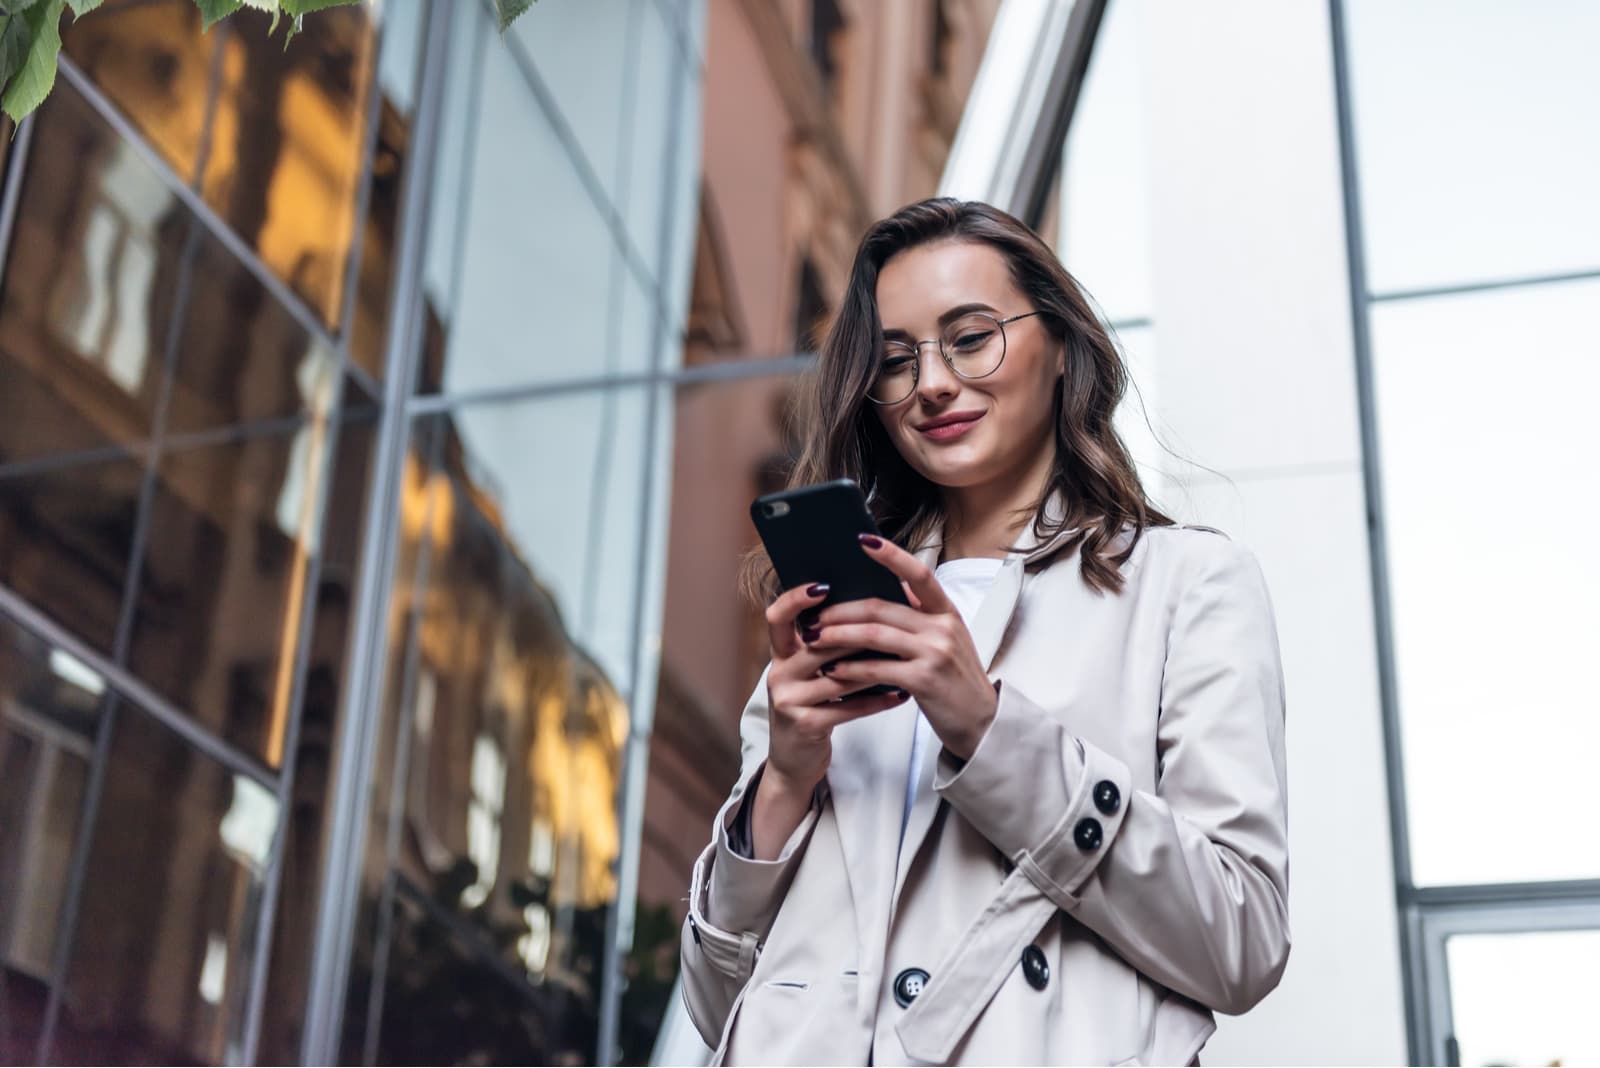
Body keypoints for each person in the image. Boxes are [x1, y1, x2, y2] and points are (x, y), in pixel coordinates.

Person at [678, 198, 1289, 1066]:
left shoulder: (1184, 586)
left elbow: (1244, 941)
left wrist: (990, 731)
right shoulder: (834, 621)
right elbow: (715, 1006)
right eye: (896, 360)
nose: (930, 383)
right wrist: (782, 780)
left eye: (970, 338)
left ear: (1064, 347)